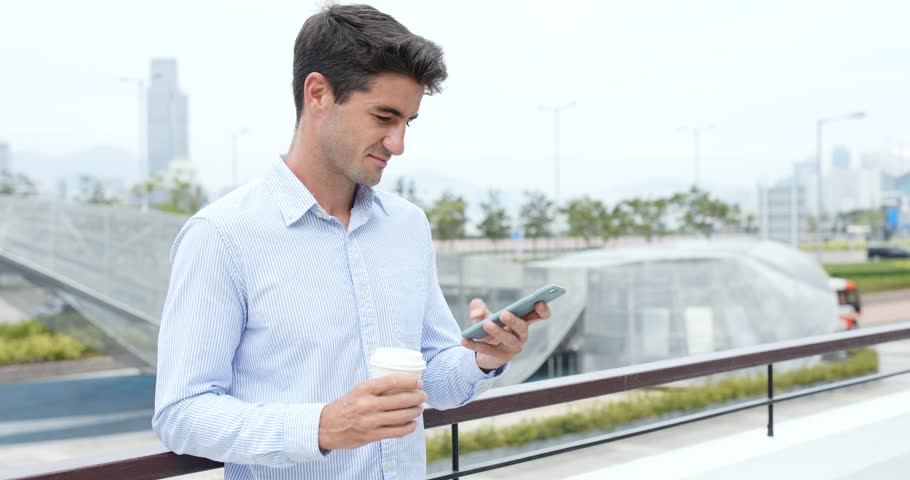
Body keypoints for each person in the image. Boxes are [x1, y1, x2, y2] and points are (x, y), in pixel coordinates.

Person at [152, 4, 551, 479]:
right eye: (384, 116)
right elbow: (181, 414)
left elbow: (434, 381)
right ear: (318, 93)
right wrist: (321, 427)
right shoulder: (221, 236)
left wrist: (483, 358)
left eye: (408, 121)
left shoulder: (407, 226)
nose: (398, 143)